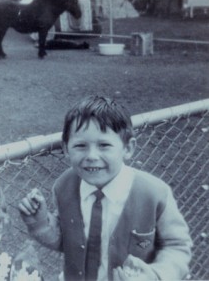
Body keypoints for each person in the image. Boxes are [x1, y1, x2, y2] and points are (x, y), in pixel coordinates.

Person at [18, 95, 192, 281]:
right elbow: (66, 241)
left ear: (128, 148)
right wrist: (41, 223)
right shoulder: (64, 186)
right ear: (66, 148)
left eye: (104, 145)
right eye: (80, 146)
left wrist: (156, 276)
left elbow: (177, 247)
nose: (92, 155)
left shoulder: (155, 194)